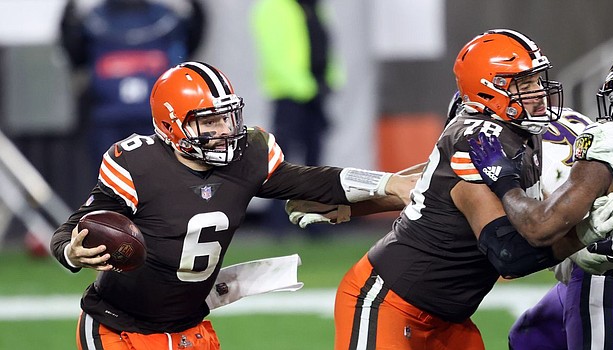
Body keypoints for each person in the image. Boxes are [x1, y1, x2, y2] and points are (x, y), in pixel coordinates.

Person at [49, 61, 414, 350]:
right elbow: (72, 228)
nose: (224, 129)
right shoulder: (137, 165)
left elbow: (318, 181)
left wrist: (388, 183)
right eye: (208, 122)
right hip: (119, 325)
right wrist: (72, 251)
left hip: (188, 325)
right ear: (171, 126)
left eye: (226, 117)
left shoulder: (249, 155)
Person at [329, 29, 613, 350]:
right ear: (489, 91)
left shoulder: (527, 132)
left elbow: (426, 179)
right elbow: (509, 256)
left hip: (450, 320)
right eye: (524, 84)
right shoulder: (478, 141)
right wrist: (582, 234)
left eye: (537, 81)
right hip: (392, 305)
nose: (538, 93)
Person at [469, 46, 613, 350]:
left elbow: (540, 227)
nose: (538, 93)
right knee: (528, 337)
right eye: (527, 84)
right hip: (605, 274)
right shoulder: (583, 125)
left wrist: (503, 181)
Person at [507, 108, 613, 350]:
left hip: (603, 262)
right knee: (528, 338)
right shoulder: (562, 115)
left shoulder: (503, 143)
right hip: (595, 246)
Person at [59, 0, 205, 181]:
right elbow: (75, 53)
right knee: (113, 187)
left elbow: (192, 39)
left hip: (157, 122)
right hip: (107, 123)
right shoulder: (93, 22)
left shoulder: (167, 20)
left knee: (162, 185)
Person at [251, 0, 343, 239]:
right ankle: (277, 224)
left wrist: (328, 82)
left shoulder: (313, 6)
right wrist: (305, 86)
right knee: (281, 161)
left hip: (314, 92)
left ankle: (313, 221)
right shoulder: (273, 7)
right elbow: (276, 54)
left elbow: (323, 43)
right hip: (290, 94)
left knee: (315, 162)